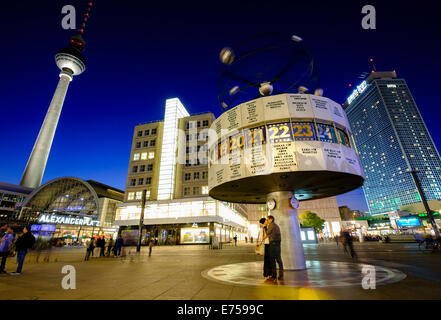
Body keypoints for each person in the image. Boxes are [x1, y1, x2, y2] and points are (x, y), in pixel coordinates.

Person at [263, 215, 284, 281]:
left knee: (272, 260)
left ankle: (274, 275)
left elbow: (267, 233)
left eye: (268, 219)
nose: (267, 221)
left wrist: (265, 227)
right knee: (279, 260)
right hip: (278, 244)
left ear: (271, 219)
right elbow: (271, 234)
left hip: (273, 244)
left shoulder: (271, 225)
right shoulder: (276, 226)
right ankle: (281, 275)